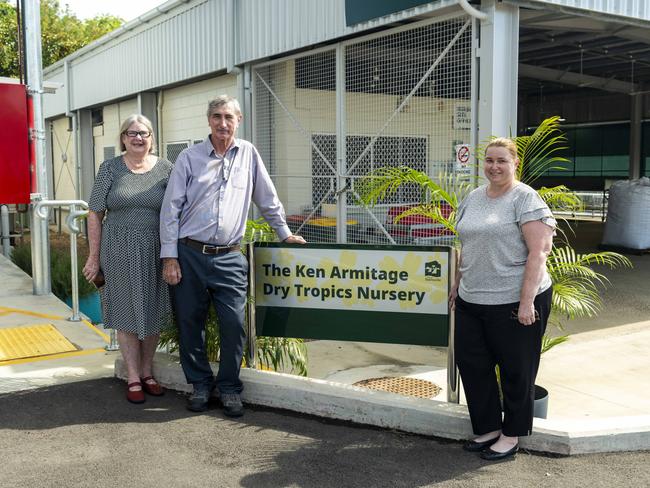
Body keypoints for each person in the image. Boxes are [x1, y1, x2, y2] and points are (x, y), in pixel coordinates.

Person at [160, 95, 305, 418]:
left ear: (238, 120)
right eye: (216, 116)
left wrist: (284, 234)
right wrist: (169, 257)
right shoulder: (189, 157)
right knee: (189, 323)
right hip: (189, 254)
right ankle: (199, 384)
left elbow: (267, 198)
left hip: (229, 257)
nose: (222, 123)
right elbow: (170, 209)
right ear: (208, 120)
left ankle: (228, 388)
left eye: (228, 116)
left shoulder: (249, 154)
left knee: (233, 324)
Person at [449, 137, 555, 460]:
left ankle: (511, 435)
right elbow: (468, 243)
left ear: (514, 164)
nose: (494, 167)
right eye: (489, 160)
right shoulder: (473, 197)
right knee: (472, 364)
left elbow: (539, 253)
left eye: (501, 161)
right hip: (472, 299)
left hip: (514, 301)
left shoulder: (525, 199)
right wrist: (457, 283)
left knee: (516, 369)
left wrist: (526, 303)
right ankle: (489, 428)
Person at [83, 114, 173, 404]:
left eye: (144, 133)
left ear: (151, 138)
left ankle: (148, 373)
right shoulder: (109, 168)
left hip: (155, 249)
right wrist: (93, 257)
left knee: (153, 310)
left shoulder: (166, 169)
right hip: (118, 248)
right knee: (125, 312)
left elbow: (176, 210)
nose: (138, 138)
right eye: (132, 133)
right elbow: (94, 212)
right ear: (122, 137)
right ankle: (133, 375)